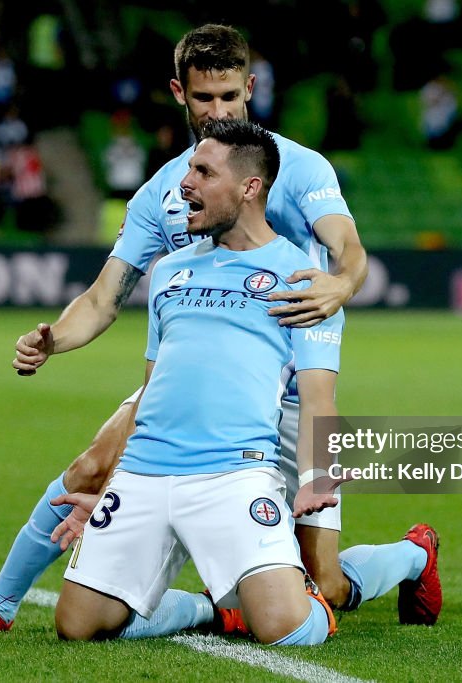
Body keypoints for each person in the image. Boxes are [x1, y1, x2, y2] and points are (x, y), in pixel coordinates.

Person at [0, 24, 440, 637]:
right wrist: (53, 339)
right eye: (204, 99)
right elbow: (103, 295)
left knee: (322, 583)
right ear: (179, 93)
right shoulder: (165, 190)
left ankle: (414, 556)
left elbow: (348, 250)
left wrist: (341, 284)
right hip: (189, 386)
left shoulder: (297, 168)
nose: (219, 113)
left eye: (230, 97)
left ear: (250, 89)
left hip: (284, 385)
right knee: (93, 463)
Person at [58, 119, 339, 644]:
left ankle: (312, 600)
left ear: (249, 188)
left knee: (284, 629)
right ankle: (206, 611)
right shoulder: (169, 271)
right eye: (189, 168)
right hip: (145, 474)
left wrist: (316, 475)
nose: (185, 182)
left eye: (203, 172)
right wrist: (112, 486)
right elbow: (153, 389)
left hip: (233, 476)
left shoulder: (303, 280)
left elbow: (319, 398)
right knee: (77, 626)